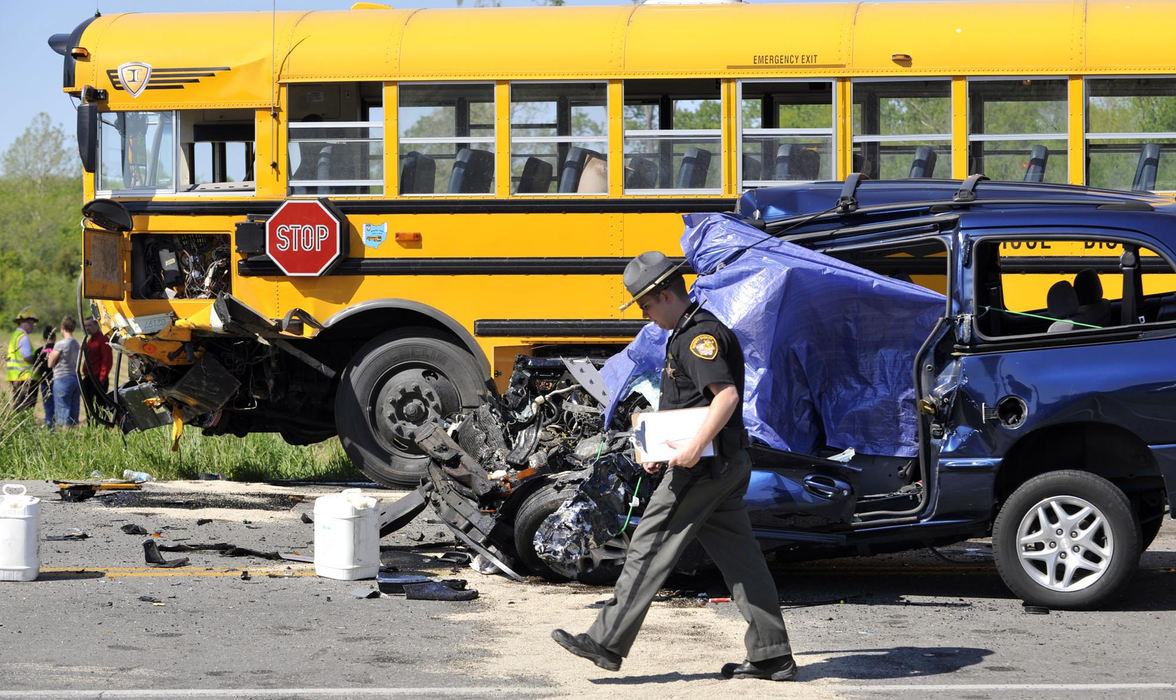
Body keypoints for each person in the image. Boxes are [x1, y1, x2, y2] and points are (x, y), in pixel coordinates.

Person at [552, 251, 797, 682]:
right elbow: (689, 406)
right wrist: (661, 450)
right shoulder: (687, 332)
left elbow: (725, 398)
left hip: (702, 469)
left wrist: (690, 451)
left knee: (648, 546)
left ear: (665, 295)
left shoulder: (699, 337)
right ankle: (772, 653)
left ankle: (606, 642)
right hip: (720, 464)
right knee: (742, 562)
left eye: (646, 306)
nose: (646, 315)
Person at [47, 316, 82, 428]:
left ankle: (64, 437)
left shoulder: (61, 344)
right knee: (73, 412)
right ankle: (72, 436)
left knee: (63, 411)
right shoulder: (76, 344)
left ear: (62, 328)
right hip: (75, 378)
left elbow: (50, 363)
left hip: (62, 379)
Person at [6, 306, 39, 412]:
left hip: (16, 377)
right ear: (24, 322)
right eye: (32, 323)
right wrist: (40, 359)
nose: (33, 326)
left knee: (18, 407)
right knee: (26, 408)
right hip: (25, 378)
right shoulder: (23, 337)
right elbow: (27, 358)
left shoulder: (16, 335)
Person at [33, 325, 57, 427]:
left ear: (43, 338)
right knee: (59, 407)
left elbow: (36, 369)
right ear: (55, 337)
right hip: (57, 381)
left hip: (44, 382)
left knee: (48, 408)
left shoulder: (39, 351)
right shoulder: (58, 349)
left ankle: (50, 429)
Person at [81, 319, 113, 394]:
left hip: (98, 377)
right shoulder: (90, 340)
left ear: (97, 325)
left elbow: (107, 360)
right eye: (85, 326)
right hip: (89, 377)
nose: (87, 328)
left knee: (100, 404)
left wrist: (102, 378)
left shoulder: (103, 339)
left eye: (89, 325)